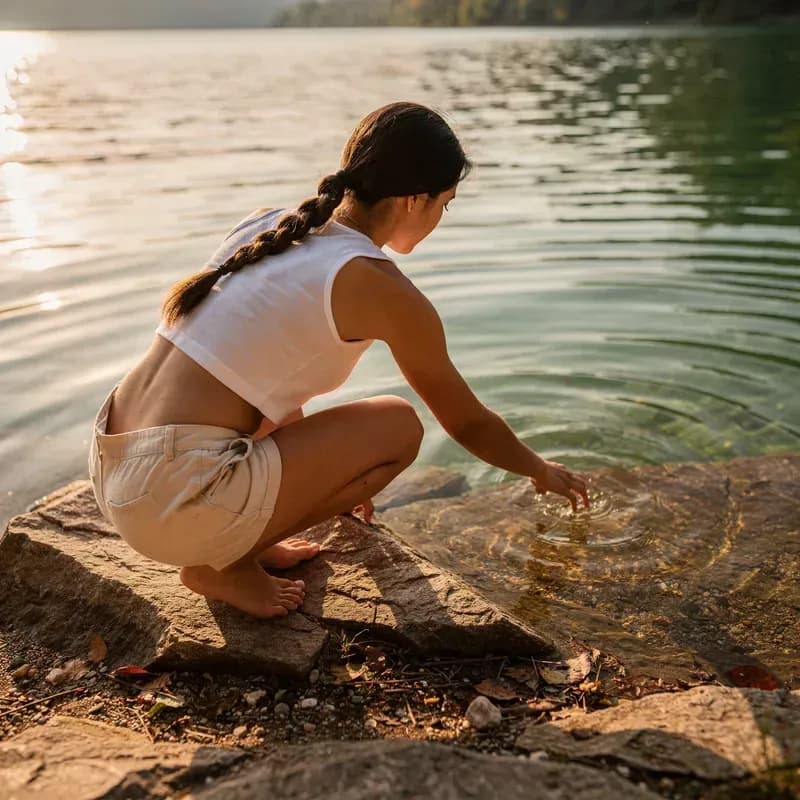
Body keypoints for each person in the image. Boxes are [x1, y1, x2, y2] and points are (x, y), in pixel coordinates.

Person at [88, 101, 590, 620]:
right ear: (415, 199)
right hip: (171, 499)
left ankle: (246, 539)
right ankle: (221, 564)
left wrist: (325, 478)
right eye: (445, 204)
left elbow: (265, 381)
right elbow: (466, 422)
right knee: (399, 426)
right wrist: (537, 468)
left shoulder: (269, 226)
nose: (440, 219)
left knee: (270, 396)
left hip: (114, 467)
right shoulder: (378, 286)